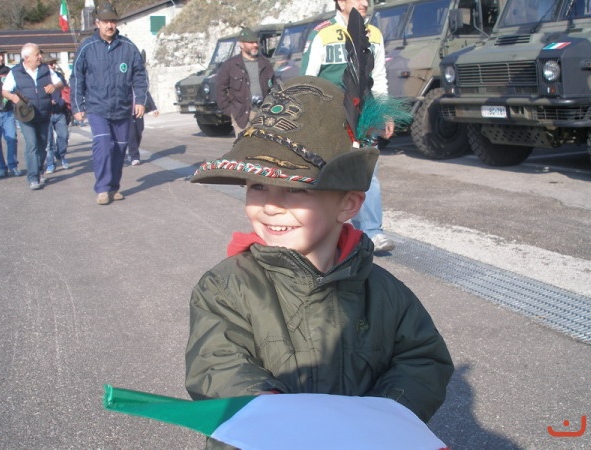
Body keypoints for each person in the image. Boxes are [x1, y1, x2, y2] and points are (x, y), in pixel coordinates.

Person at [186, 76, 453, 449]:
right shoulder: (225, 286)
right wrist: (270, 411)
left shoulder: (384, 293)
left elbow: (423, 359)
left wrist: (383, 415)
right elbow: (216, 363)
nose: (270, 206)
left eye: (295, 189)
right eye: (257, 186)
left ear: (348, 204)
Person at [301, 0, 396, 252]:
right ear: (341, 1)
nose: (365, 3)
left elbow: (379, 78)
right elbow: (308, 79)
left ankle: (372, 232)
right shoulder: (323, 34)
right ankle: (324, 232)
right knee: (328, 173)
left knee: (367, 172)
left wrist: (385, 111)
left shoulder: (374, 34)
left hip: (364, 115)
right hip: (329, 116)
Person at [70, 2, 148, 205]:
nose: (109, 25)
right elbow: (77, 77)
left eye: (112, 21)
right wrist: (77, 106)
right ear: (97, 23)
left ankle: (113, 187)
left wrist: (140, 100)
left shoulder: (128, 47)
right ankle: (103, 189)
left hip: (122, 108)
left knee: (120, 149)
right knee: (104, 145)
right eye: (105, 22)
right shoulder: (87, 47)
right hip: (97, 107)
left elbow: (140, 75)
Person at [2, 43, 63, 190]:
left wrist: (54, 86)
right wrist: (12, 97)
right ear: (27, 58)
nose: (40, 56)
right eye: (37, 54)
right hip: (26, 115)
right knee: (32, 144)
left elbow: (60, 83)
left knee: (42, 145)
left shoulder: (46, 69)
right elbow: (5, 90)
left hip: (44, 113)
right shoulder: (15, 72)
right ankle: (33, 177)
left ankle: (39, 171)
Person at [215, 27, 275, 136]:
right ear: (241, 44)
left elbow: (274, 87)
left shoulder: (266, 64)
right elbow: (220, 90)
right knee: (244, 146)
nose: (255, 45)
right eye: (251, 43)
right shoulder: (230, 65)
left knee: (264, 145)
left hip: (263, 114)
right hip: (241, 116)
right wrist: (230, 111)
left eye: (256, 42)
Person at [0, 41, 21, 179]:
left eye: (2, 55)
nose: (1, 58)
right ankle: (1, 168)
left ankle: (13, 165)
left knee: (12, 139)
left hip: (8, 111)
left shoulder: (8, 71)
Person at [42, 55, 70, 174]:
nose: (53, 66)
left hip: (60, 111)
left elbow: (66, 91)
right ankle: (50, 164)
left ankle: (61, 155)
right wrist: (47, 101)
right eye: (50, 64)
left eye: (54, 63)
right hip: (46, 114)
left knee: (63, 136)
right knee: (49, 142)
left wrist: (63, 101)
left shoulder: (59, 76)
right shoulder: (40, 78)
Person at [127, 90, 158, 166]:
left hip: (139, 111)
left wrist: (154, 108)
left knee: (139, 131)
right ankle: (134, 157)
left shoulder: (139, 85)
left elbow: (146, 93)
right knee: (132, 134)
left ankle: (132, 152)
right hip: (127, 112)